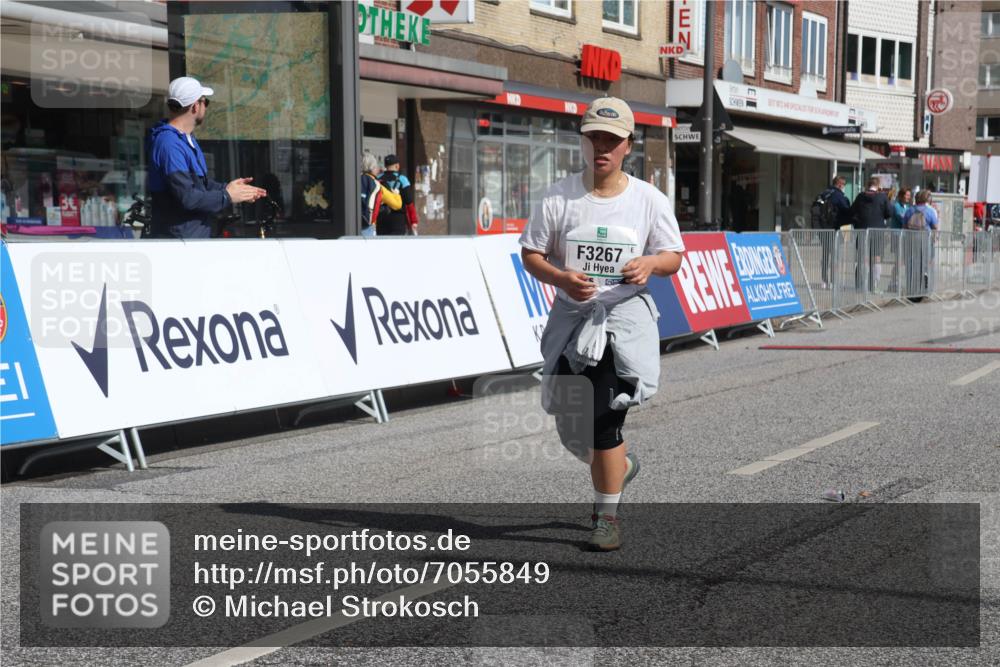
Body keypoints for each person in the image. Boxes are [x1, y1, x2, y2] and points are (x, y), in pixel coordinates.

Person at [518, 97, 685, 552]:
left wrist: (650, 263)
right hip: (573, 319)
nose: (602, 148)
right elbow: (530, 253)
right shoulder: (558, 196)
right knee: (573, 426)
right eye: (594, 138)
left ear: (628, 144)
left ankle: (605, 517)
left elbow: (673, 256)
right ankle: (618, 467)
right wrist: (561, 279)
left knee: (605, 418)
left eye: (611, 140)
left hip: (623, 320)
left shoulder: (648, 199)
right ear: (584, 142)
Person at [147, 76, 265, 238]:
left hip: (191, 239)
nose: (206, 107)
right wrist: (227, 196)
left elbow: (200, 185)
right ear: (195, 107)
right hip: (179, 244)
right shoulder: (169, 144)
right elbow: (188, 197)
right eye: (205, 102)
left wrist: (230, 189)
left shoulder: (185, 139)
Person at [851, 177, 894, 291]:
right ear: (878, 186)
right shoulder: (882, 197)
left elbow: (852, 211)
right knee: (876, 258)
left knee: (861, 258)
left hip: (862, 231)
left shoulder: (860, 197)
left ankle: (859, 285)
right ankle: (873, 285)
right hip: (877, 232)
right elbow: (889, 213)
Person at [812, 177, 851, 288]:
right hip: (834, 229)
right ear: (839, 184)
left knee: (825, 255)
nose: (844, 187)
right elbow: (846, 209)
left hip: (822, 229)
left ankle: (824, 281)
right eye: (843, 184)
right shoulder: (838, 196)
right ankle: (833, 281)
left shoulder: (823, 194)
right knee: (835, 256)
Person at [901, 189, 940, 298]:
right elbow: (935, 227)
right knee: (925, 264)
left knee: (911, 264)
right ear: (927, 199)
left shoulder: (909, 210)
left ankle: (910, 289)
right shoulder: (930, 211)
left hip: (911, 240)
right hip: (925, 240)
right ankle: (924, 288)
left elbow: (904, 226)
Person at [377, 155, 419, 236]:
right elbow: (409, 202)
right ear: (397, 166)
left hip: (381, 217)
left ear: (385, 166)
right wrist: (413, 221)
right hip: (397, 218)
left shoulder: (377, 179)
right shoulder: (402, 179)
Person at [359, 152, 382, 237]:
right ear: (371, 167)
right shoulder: (374, 182)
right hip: (366, 225)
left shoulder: (353, 177)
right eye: (376, 166)